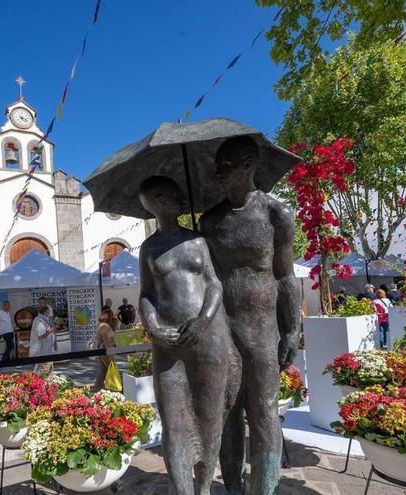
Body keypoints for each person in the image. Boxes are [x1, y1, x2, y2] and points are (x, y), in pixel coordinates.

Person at [200, 136, 301, 495]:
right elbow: (203, 278)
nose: (218, 174)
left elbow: (286, 276)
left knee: (263, 412)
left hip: (262, 331)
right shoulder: (209, 221)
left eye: (225, 167)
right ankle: (233, 487)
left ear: (248, 166)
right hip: (221, 330)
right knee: (225, 415)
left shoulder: (276, 214)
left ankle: (264, 487)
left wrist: (291, 330)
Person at [139, 175, 239, 495]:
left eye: (176, 193)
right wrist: (153, 327)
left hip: (207, 339)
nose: (177, 197)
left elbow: (214, 284)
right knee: (174, 423)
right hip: (168, 345)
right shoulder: (149, 248)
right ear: (155, 203)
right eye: (168, 195)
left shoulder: (197, 242)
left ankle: (205, 488)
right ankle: (183, 490)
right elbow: (146, 294)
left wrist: (202, 320)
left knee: (210, 421)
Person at [92, 309, 118, 392]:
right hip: (106, 353)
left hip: (103, 353)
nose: (113, 316)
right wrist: (112, 358)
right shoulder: (104, 327)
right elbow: (108, 344)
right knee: (113, 373)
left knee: (102, 374)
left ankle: (96, 393)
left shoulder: (103, 325)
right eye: (112, 315)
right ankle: (117, 391)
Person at [30, 305, 56, 375]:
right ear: (45, 312)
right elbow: (41, 336)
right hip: (43, 350)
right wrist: (52, 329)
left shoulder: (43, 319)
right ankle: (38, 381)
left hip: (46, 350)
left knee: (47, 369)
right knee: (42, 370)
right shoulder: (40, 321)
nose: (49, 313)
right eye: (48, 312)